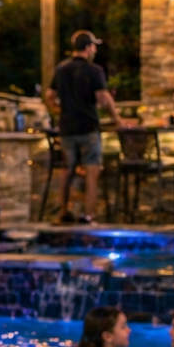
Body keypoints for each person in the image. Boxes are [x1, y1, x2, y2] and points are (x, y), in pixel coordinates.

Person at [44, 29, 129, 224]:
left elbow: (49, 96)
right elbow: (103, 98)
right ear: (89, 48)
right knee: (92, 171)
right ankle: (88, 216)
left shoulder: (61, 69)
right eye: (94, 47)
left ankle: (63, 212)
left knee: (68, 170)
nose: (95, 51)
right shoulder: (94, 71)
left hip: (67, 128)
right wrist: (118, 120)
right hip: (88, 127)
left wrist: (58, 111)